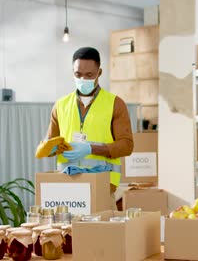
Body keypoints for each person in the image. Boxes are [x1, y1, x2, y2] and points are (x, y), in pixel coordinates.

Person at [41, 47, 134, 196]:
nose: (83, 79)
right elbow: (50, 142)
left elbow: (126, 146)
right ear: (73, 72)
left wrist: (90, 149)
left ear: (99, 73)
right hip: (67, 187)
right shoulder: (60, 105)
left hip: (102, 186)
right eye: (78, 74)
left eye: (89, 75)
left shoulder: (115, 104)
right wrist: (48, 148)